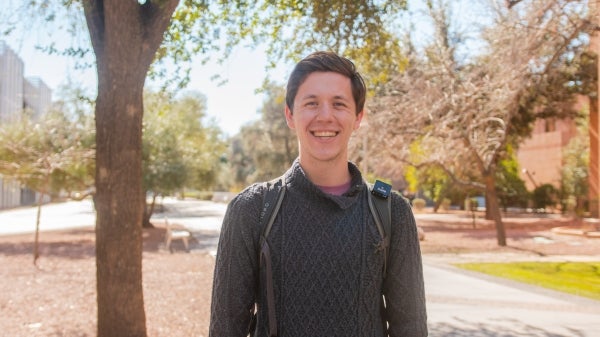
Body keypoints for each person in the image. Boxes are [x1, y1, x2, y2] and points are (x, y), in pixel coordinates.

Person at [209, 51, 428, 337]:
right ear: (290, 115)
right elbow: (225, 329)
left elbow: (411, 328)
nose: (325, 116)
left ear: (358, 117)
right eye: (311, 103)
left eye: (339, 104)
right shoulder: (251, 209)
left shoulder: (392, 211)